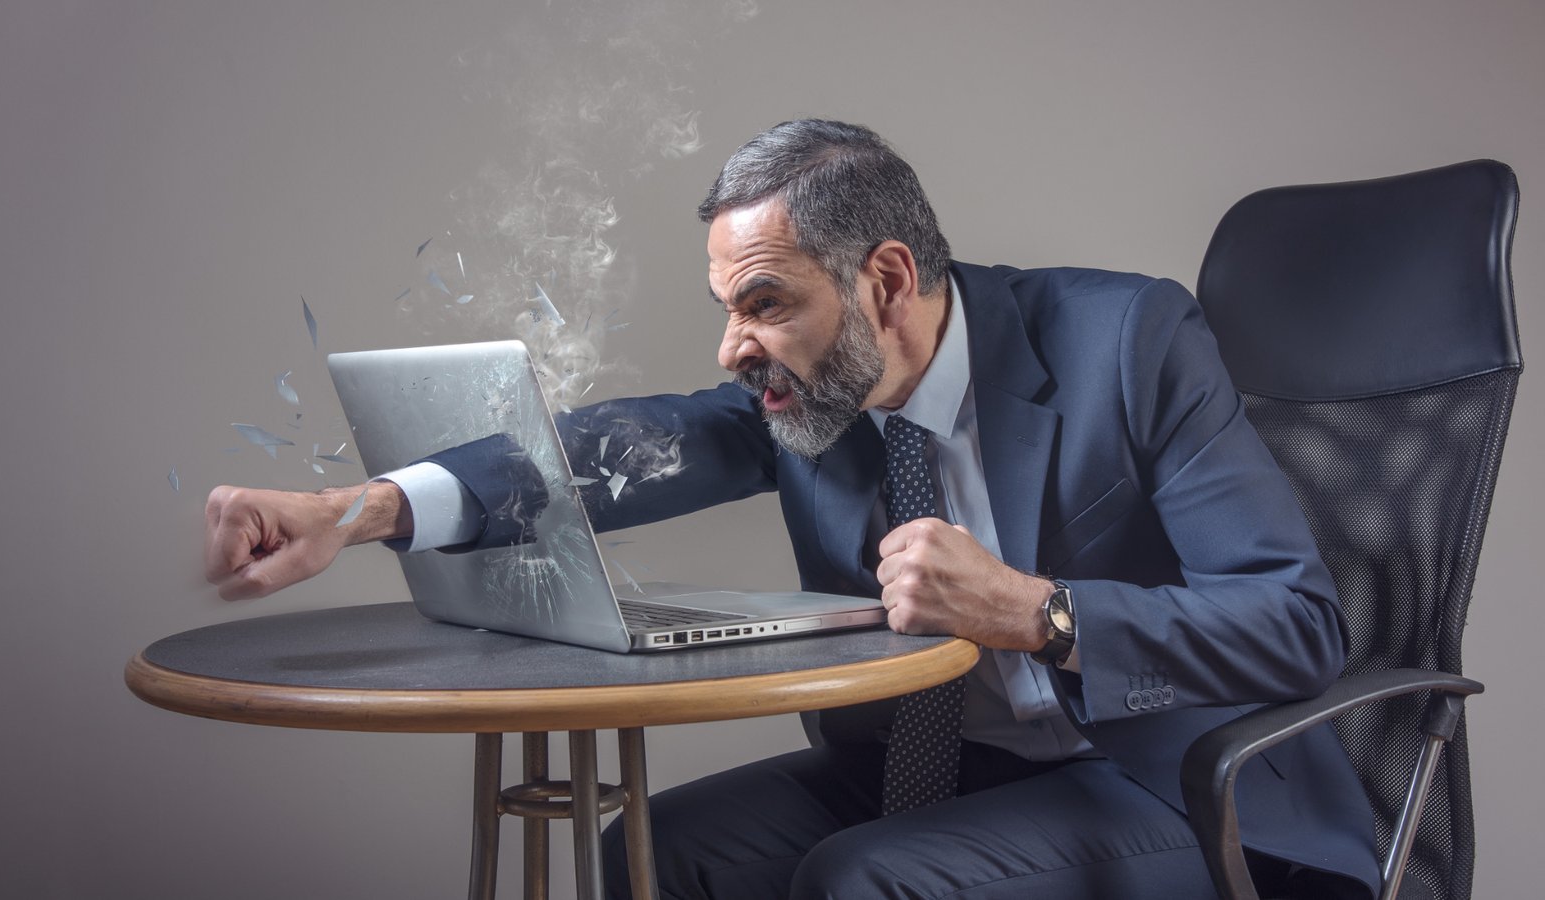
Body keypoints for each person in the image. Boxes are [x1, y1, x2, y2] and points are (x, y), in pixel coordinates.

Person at [204, 119, 1378, 899]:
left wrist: (1041, 613)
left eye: (763, 303)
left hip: (1166, 783)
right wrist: (355, 512)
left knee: (857, 884)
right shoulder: (802, 395)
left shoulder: (1127, 341)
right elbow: (622, 448)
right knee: (660, 859)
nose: (733, 347)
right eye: (728, 305)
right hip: (942, 765)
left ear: (884, 282)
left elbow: (1296, 627)